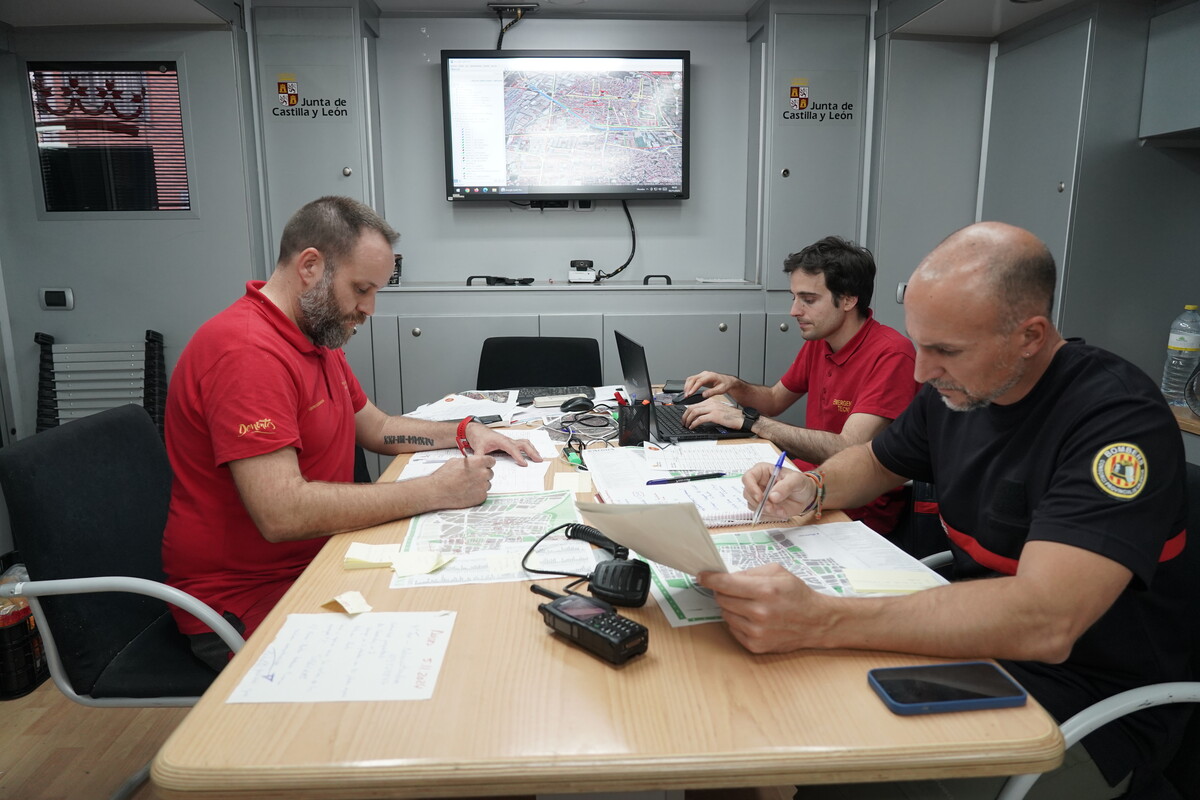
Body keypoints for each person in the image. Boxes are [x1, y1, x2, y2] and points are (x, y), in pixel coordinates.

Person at [702, 222, 1196, 799]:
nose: (920, 372)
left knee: (845, 771)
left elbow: (1045, 621)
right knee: (777, 717)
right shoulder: (959, 392)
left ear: (1030, 336)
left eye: (945, 351)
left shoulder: (1114, 421)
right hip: (975, 651)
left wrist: (824, 618)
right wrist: (810, 488)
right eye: (920, 345)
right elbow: (877, 462)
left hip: (1082, 704)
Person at [162, 196, 542, 670]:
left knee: (474, 613)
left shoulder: (312, 334)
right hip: (246, 601)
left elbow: (378, 428)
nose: (369, 308)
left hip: (318, 561)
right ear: (310, 266)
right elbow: (282, 513)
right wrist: (435, 490)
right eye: (361, 289)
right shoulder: (246, 353)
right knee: (443, 656)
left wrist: (466, 431)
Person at [680, 236, 918, 534]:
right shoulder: (823, 339)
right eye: (794, 298)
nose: (794, 311)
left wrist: (750, 421)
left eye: (808, 300)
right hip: (801, 485)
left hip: (853, 509)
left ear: (847, 299)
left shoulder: (892, 354)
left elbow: (849, 449)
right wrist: (734, 385)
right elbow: (776, 399)